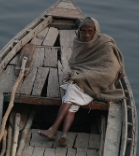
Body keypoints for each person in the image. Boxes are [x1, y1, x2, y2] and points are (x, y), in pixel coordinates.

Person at [38, 17, 125, 146]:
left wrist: (81, 77)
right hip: (82, 80)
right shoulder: (78, 41)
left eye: (90, 31)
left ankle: (53, 129)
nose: (86, 35)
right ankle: (64, 134)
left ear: (96, 31)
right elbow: (76, 63)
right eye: (83, 31)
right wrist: (76, 75)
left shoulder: (105, 44)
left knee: (70, 94)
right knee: (72, 106)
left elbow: (110, 71)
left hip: (95, 85)